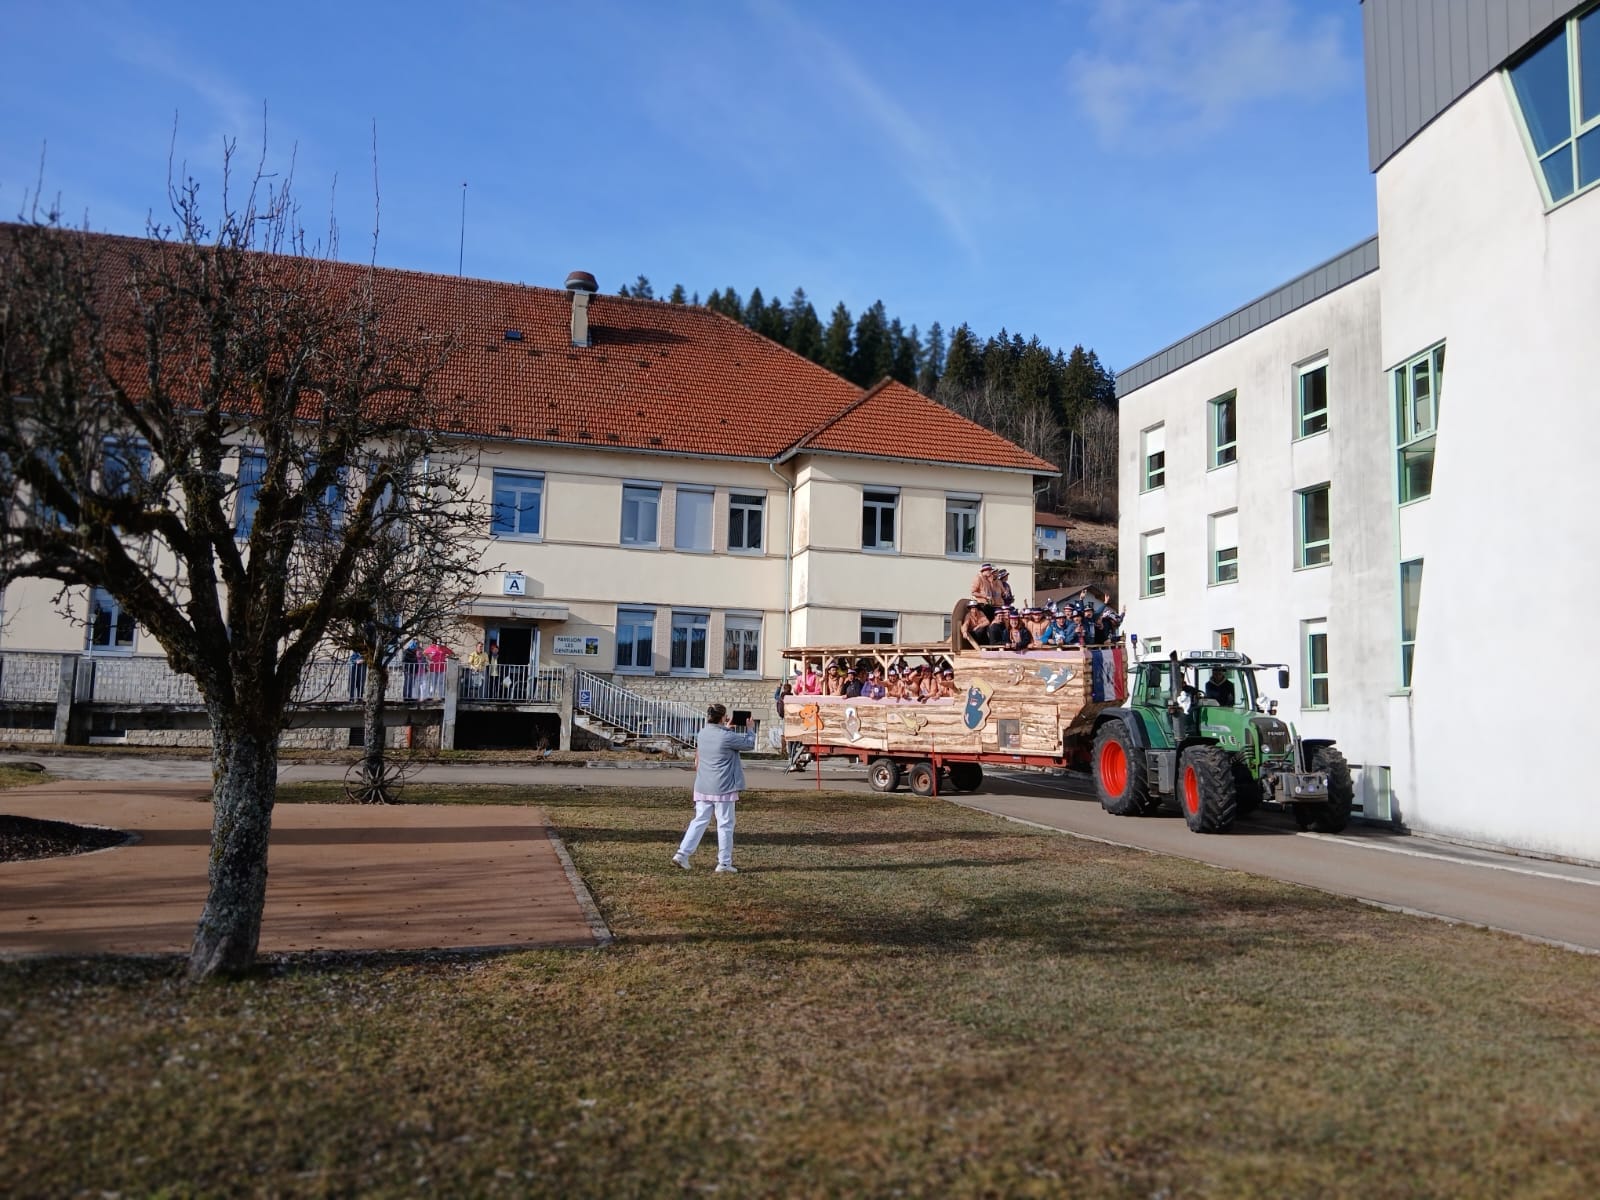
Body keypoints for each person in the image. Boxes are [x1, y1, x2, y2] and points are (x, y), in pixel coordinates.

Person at [672, 704, 758, 873]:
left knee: (699, 821)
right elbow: (748, 744)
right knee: (725, 824)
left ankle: (682, 854)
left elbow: (719, 740)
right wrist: (750, 729)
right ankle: (724, 863)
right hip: (723, 786)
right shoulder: (727, 736)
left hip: (703, 785)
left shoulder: (703, 733)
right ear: (723, 717)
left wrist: (726, 728)